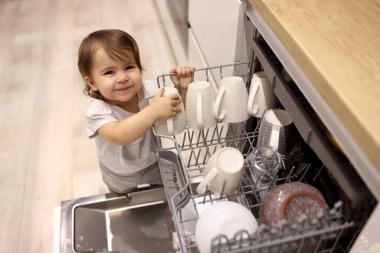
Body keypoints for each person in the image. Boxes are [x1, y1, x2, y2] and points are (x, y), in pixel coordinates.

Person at [77, 29, 194, 194]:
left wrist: (181, 89)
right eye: (110, 72)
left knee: (162, 192)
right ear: (92, 83)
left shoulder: (150, 90)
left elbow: (176, 109)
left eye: (129, 67)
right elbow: (119, 134)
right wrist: (153, 111)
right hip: (118, 172)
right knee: (122, 198)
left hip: (154, 161)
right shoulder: (97, 111)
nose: (123, 77)